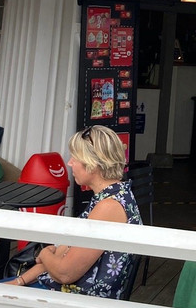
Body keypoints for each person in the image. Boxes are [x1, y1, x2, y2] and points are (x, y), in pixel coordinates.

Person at [8, 125, 141, 297]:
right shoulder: (113, 195)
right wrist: (20, 281)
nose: (70, 163)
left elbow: (65, 273)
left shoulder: (109, 206)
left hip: (78, 301)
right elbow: (62, 254)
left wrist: (44, 253)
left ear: (92, 164)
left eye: (75, 158)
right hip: (63, 290)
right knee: (0, 288)